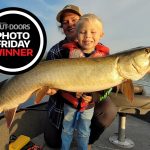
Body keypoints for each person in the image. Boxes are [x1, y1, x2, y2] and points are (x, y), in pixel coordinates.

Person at [44, 4, 117, 149]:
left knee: (109, 109)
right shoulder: (56, 51)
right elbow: (49, 85)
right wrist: (53, 90)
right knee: (52, 142)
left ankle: (88, 142)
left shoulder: (100, 51)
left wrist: (94, 96)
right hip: (63, 105)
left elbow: (109, 83)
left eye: (73, 19)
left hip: (89, 104)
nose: (69, 24)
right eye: (65, 22)